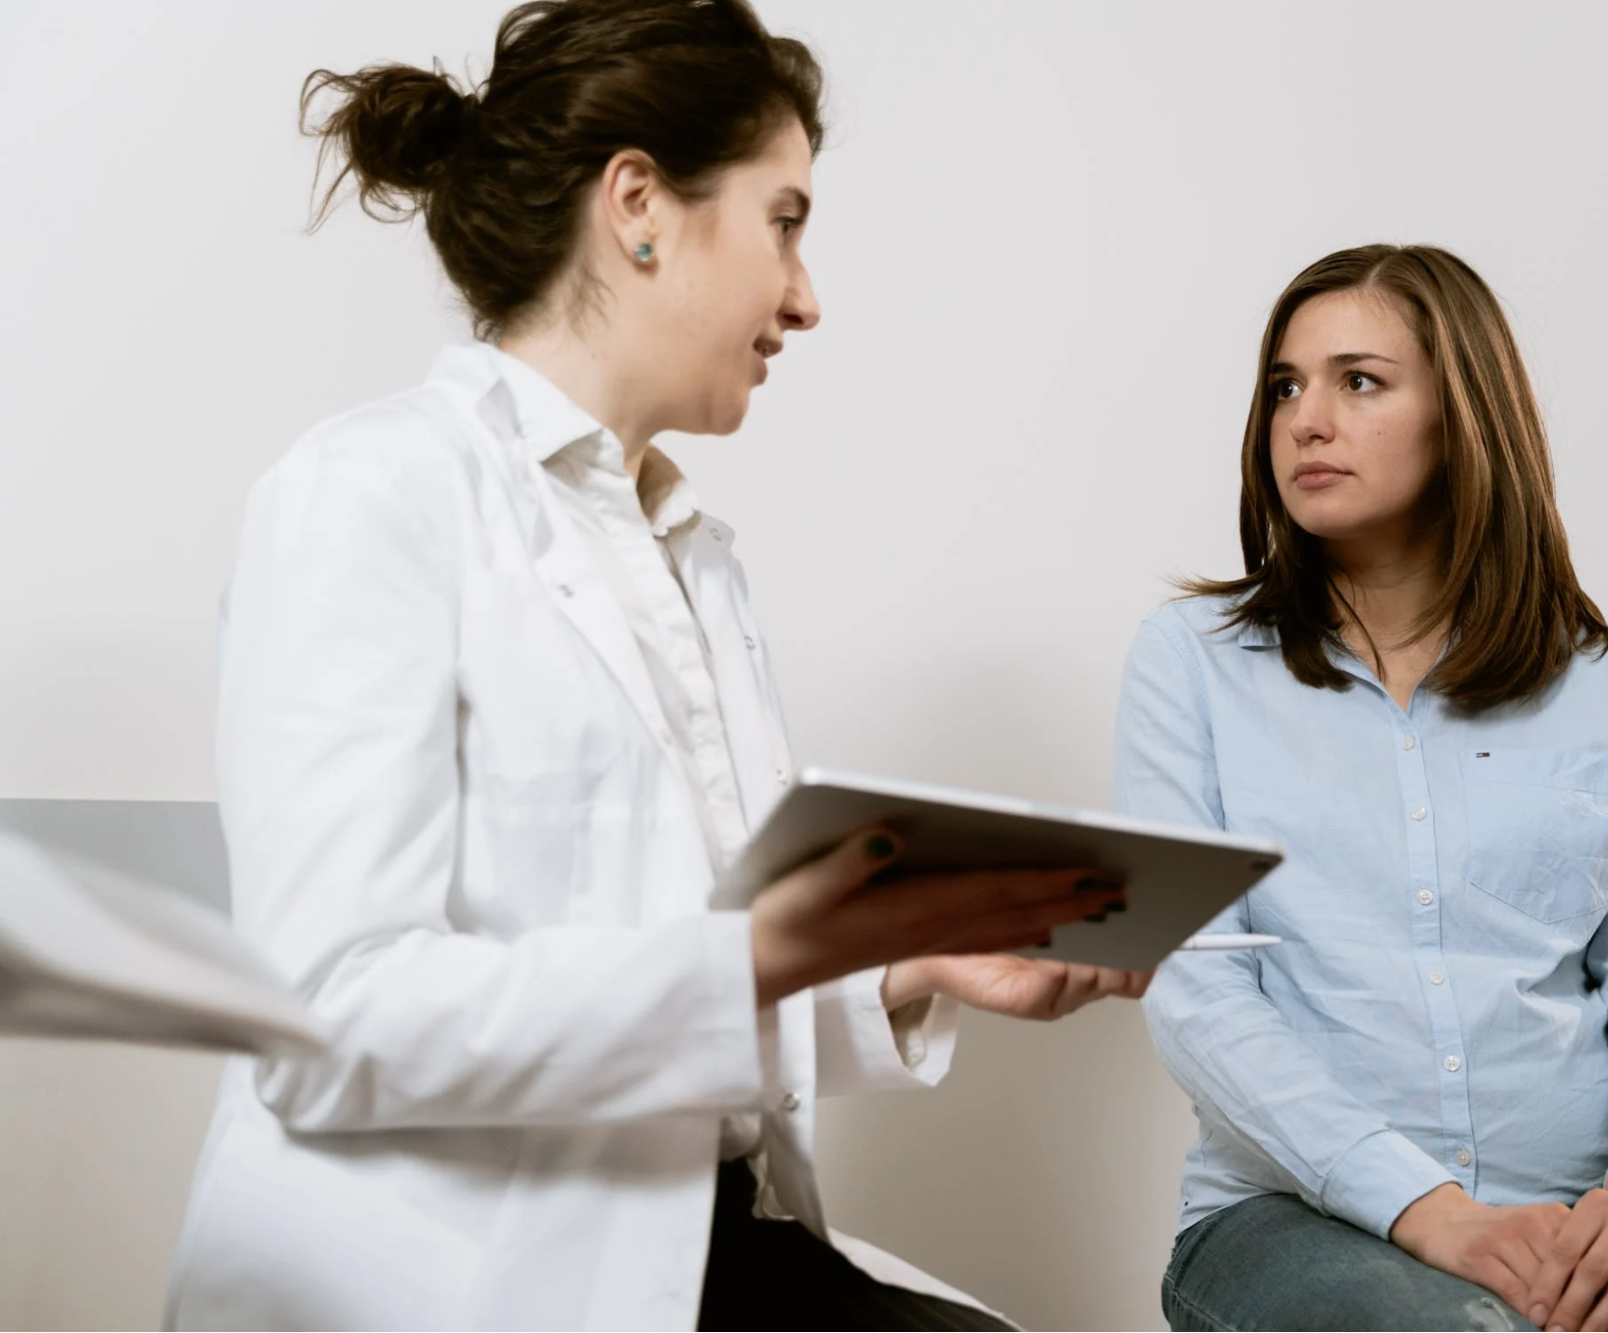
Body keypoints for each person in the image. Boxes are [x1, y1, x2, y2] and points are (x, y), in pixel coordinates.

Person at [165, 3, 1145, 1329]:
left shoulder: (687, 550)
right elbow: (332, 1018)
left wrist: (914, 962)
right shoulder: (368, 493)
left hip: (693, 1247)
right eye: (782, 220)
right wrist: (758, 951)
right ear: (639, 204)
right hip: (453, 1277)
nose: (805, 295)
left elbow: (678, 985)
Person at [1116, 244, 1608, 1333]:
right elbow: (1195, 993)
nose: (1304, 418)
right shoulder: (1190, 661)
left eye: (1359, 381)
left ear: (1464, 415)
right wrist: (1429, 1212)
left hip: (1586, 1201)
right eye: (1285, 386)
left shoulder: (1598, 682)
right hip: (1294, 1217)